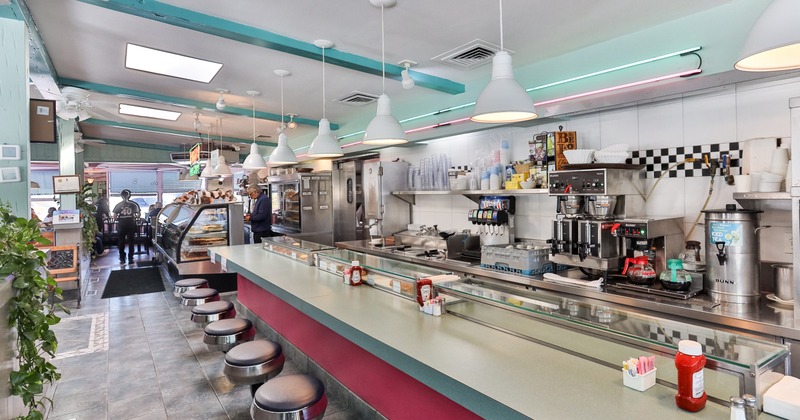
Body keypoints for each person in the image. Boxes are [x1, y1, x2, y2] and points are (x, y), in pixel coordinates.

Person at [113, 189, 141, 265]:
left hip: (121, 224)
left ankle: (122, 258)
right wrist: (133, 216)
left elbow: (114, 217)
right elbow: (138, 215)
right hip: (131, 224)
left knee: (121, 241)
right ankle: (130, 258)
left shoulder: (118, 205)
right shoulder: (134, 204)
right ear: (129, 196)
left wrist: (120, 217)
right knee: (131, 242)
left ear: (121, 196)